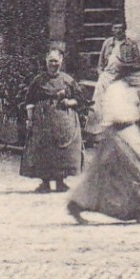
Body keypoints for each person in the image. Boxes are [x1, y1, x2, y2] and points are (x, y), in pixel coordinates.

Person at [66, 39, 140, 224]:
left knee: (128, 173)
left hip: (129, 133)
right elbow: (118, 114)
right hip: (120, 134)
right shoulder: (116, 89)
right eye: (134, 73)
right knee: (136, 172)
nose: (137, 77)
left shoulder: (128, 89)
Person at [21, 49, 84, 192]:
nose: (53, 64)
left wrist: (69, 102)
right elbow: (29, 100)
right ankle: (45, 183)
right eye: (51, 61)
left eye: (56, 61)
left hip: (64, 120)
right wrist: (30, 120)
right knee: (44, 149)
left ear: (61, 61)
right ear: (46, 61)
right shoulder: (38, 80)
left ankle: (61, 181)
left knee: (62, 150)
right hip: (43, 121)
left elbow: (80, 100)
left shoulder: (68, 80)